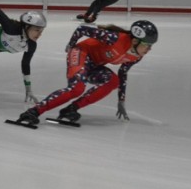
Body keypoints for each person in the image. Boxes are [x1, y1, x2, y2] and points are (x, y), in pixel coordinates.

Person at [17, 20, 158, 126]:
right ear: (134, 40)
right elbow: (82, 29)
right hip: (81, 53)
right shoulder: (115, 38)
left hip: (94, 65)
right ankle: (34, 111)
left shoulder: (137, 56)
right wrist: (71, 45)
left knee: (113, 81)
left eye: (151, 46)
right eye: (147, 45)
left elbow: (123, 73)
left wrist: (121, 100)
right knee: (77, 88)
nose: (149, 49)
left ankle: (71, 109)